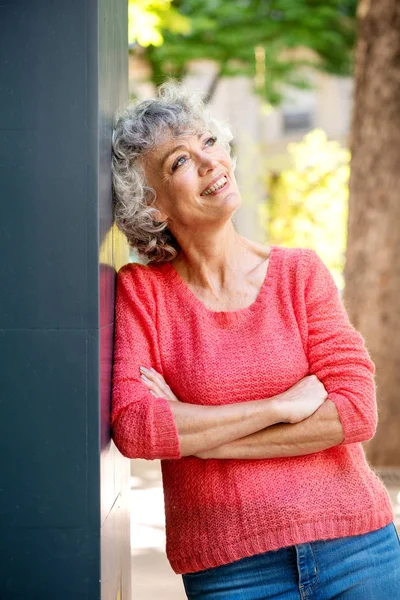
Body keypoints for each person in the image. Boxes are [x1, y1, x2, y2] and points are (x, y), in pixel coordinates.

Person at [110, 82, 400, 599]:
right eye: (180, 161)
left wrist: (199, 441)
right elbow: (138, 427)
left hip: (357, 547)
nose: (209, 161)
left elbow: (355, 412)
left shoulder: (299, 274)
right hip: (232, 569)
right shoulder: (143, 294)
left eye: (209, 142)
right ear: (152, 207)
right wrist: (281, 405)